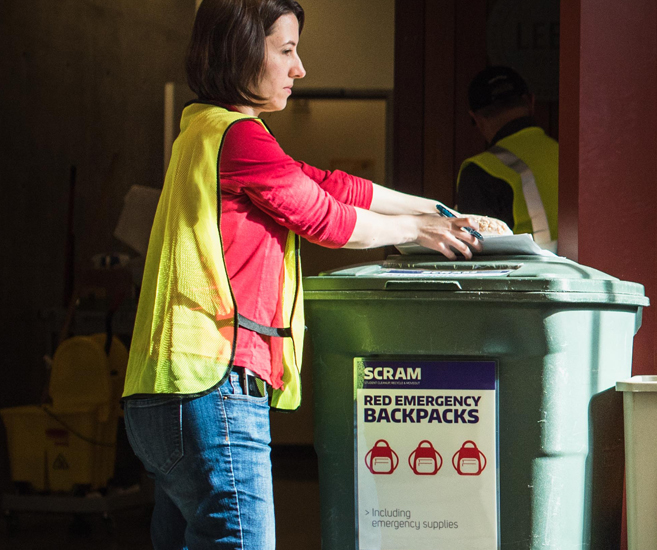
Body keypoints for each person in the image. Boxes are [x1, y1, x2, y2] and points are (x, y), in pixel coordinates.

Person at [122, 1, 494, 547]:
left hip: (162, 395)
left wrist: (436, 211)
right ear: (243, 50)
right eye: (287, 51)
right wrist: (417, 231)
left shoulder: (203, 132)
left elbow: (330, 185)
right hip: (213, 386)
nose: (300, 69)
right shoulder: (237, 136)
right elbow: (323, 215)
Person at [455, 65, 561, 254]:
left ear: (476, 118)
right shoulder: (569, 157)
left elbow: (475, 254)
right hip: (588, 275)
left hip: (531, 279)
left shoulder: (480, 171)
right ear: (531, 102)